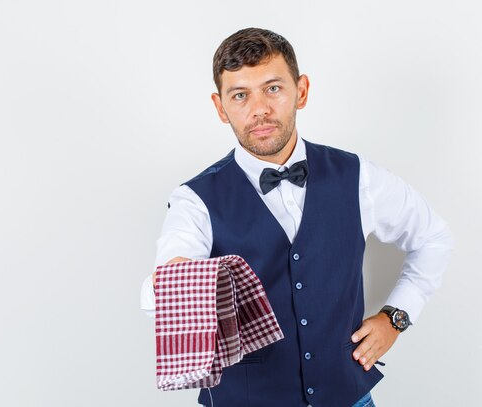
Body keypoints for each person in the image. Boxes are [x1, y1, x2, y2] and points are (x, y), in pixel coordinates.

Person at [140, 27, 453, 407]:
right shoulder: (194, 200)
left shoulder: (358, 177)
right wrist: (174, 281)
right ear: (221, 107)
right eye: (240, 95)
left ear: (301, 91)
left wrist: (395, 318)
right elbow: (168, 274)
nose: (259, 109)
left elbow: (432, 237)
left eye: (273, 88)